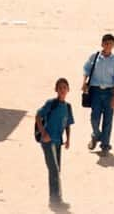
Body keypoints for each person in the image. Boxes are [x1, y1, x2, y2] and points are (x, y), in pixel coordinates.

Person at [35, 77, 73, 208]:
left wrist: (68, 139)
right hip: (47, 141)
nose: (62, 90)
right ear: (56, 90)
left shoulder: (68, 107)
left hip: (58, 142)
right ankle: (55, 200)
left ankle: (55, 198)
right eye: (60, 87)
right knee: (54, 169)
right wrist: (43, 133)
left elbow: (68, 124)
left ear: (68, 90)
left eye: (64, 88)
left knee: (56, 170)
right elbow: (38, 115)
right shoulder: (51, 103)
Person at [82, 33, 114, 155]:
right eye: (106, 43)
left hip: (109, 92)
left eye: (110, 43)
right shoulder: (94, 57)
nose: (108, 45)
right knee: (94, 118)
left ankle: (105, 145)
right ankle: (96, 135)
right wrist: (84, 82)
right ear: (102, 44)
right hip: (96, 92)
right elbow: (86, 69)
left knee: (108, 120)